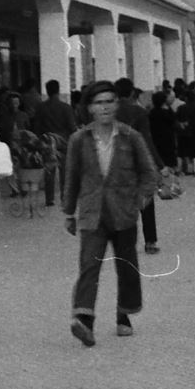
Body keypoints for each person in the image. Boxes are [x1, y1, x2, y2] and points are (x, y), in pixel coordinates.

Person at [63, 81, 161, 346]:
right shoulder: (78, 141)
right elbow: (71, 177)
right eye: (98, 102)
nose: (104, 107)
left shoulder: (130, 137)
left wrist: (138, 201)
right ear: (89, 109)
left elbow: (149, 174)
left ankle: (124, 316)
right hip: (93, 214)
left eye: (109, 101)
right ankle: (84, 321)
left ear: (117, 105)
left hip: (124, 214)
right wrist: (68, 212)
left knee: (126, 267)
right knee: (89, 266)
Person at [114, 78, 164, 254]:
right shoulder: (139, 112)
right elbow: (147, 141)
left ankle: (123, 242)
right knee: (146, 202)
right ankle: (150, 242)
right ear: (132, 93)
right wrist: (159, 164)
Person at [34, 79, 77, 206]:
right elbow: (72, 127)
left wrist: (38, 141)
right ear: (58, 90)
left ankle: (50, 198)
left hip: (48, 142)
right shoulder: (66, 108)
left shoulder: (41, 108)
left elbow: (37, 126)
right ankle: (65, 196)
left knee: (49, 170)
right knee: (65, 170)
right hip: (63, 142)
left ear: (47, 91)